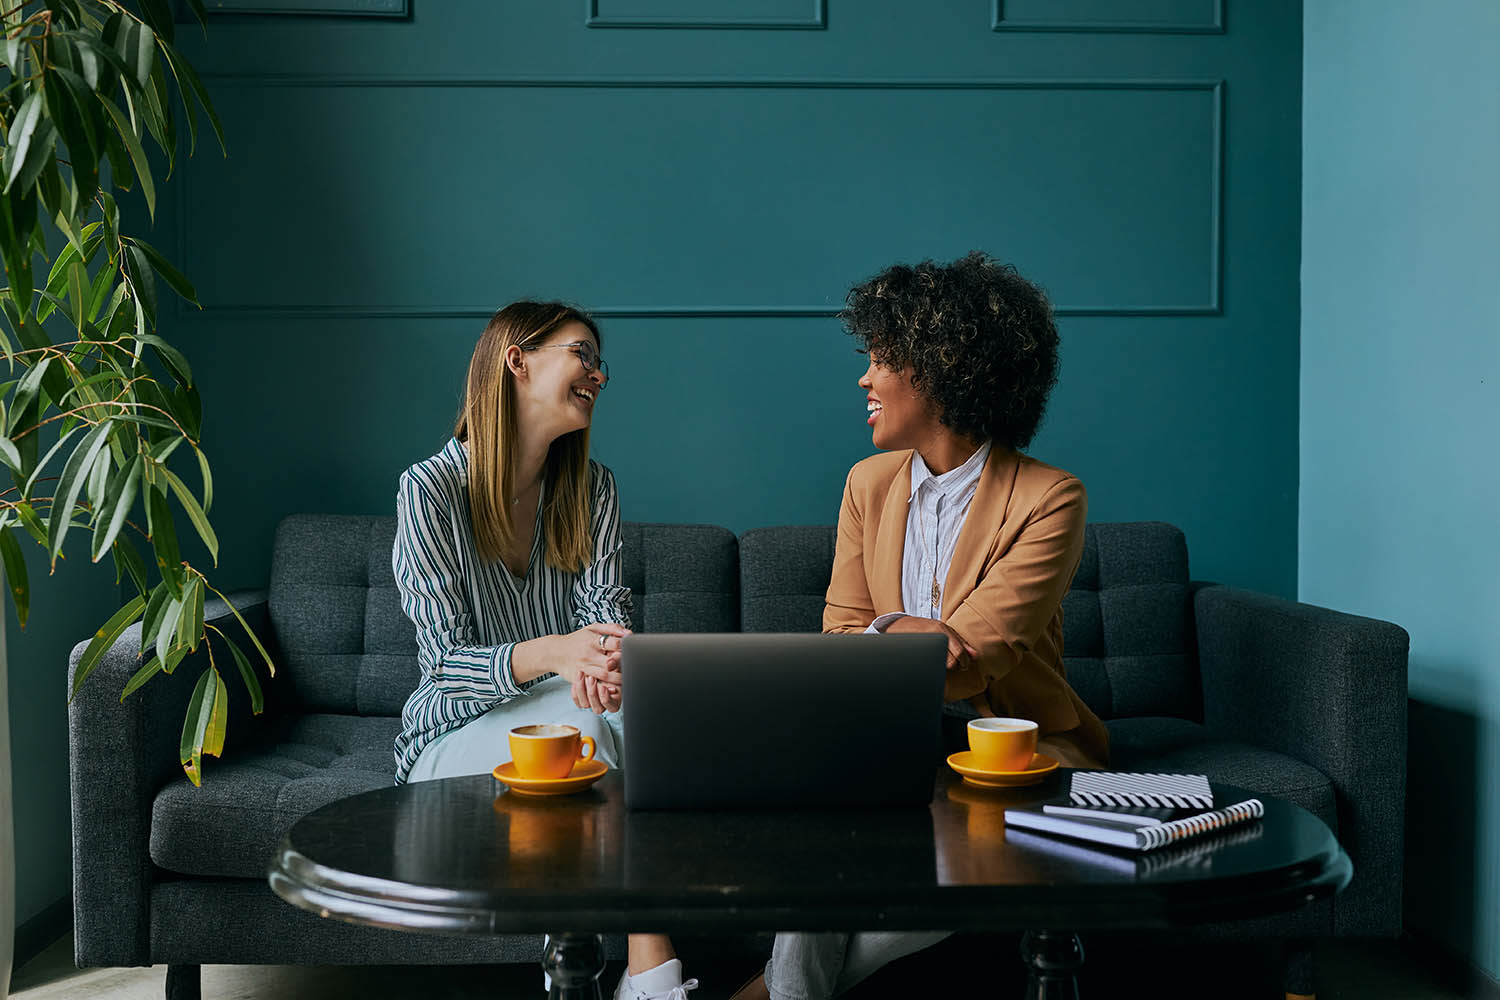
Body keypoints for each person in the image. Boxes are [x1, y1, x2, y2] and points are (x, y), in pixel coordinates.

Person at [732, 252, 1108, 1000]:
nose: (864, 381)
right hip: (883, 744)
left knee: (921, 870)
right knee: (825, 846)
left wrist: (885, 633)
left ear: (942, 367)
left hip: (1011, 751)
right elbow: (840, 640)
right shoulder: (866, 484)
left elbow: (976, 660)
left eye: (881, 360)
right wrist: (903, 636)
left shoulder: (1051, 497)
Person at [392, 301, 697, 1000]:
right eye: (582, 355)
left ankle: (625, 977)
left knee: (629, 721)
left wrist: (609, 668)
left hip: (570, 711)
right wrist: (559, 655)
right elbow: (443, 664)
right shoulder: (429, 491)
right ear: (517, 360)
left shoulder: (593, 489)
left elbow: (605, 624)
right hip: (452, 734)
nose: (600, 374)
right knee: (584, 732)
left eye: (600, 361)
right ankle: (651, 970)